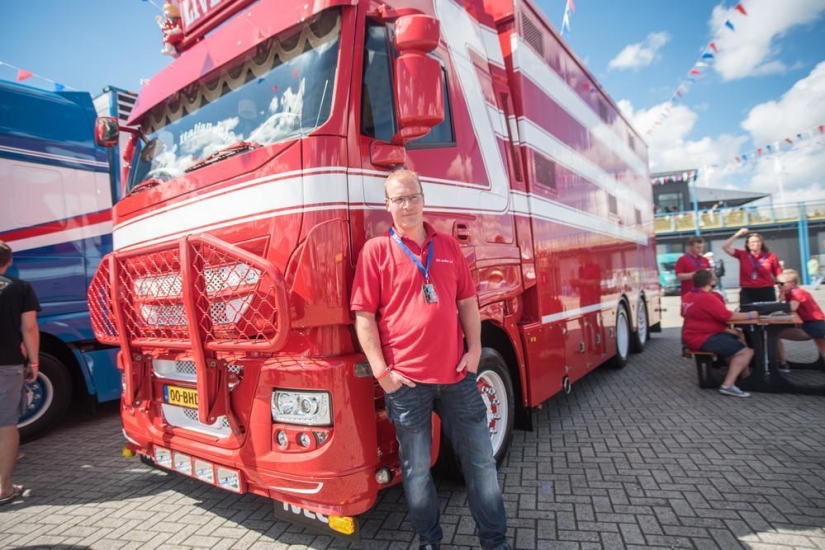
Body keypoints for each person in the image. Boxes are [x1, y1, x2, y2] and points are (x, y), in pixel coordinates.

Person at [350, 170, 510, 550]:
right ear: (387, 206)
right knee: (417, 472)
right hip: (406, 385)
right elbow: (363, 316)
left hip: (458, 378)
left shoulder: (449, 247)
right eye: (398, 199)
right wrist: (382, 373)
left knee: (481, 464)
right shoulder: (375, 251)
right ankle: (428, 541)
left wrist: (474, 351)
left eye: (412, 197)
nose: (407, 205)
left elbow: (468, 303)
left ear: (424, 199)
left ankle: (495, 541)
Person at [0, 240, 40, 505]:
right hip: (6, 364)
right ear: (10, 261)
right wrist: (34, 362)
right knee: (5, 425)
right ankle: (4, 488)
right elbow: (29, 328)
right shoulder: (19, 288)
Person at [681, 269, 757, 398]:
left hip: (692, 336)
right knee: (747, 351)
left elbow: (685, 314)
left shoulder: (688, 295)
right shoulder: (707, 297)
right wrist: (751, 315)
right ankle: (728, 385)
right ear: (711, 282)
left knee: (738, 337)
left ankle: (745, 377)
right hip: (703, 337)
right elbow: (726, 316)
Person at [775, 269, 825, 369]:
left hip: (813, 325)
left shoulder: (797, 292)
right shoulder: (791, 292)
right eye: (776, 283)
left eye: (781, 284)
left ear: (792, 284)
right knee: (822, 346)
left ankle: (783, 363)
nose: (778, 286)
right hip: (814, 323)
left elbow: (792, 307)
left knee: (775, 334)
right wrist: (782, 295)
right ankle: (783, 363)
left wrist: (776, 306)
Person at [722, 227, 782, 305]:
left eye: (758, 241)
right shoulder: (742, 255)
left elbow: (779, 276)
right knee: (747, 315)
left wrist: (782, 292)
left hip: (766, 290)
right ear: (748, 244)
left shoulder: (771, 256)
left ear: (761, 243)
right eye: (752, 242)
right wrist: (738, 234)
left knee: (767, 315)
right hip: (748, 291)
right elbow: (725, 246)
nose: (756, 244)